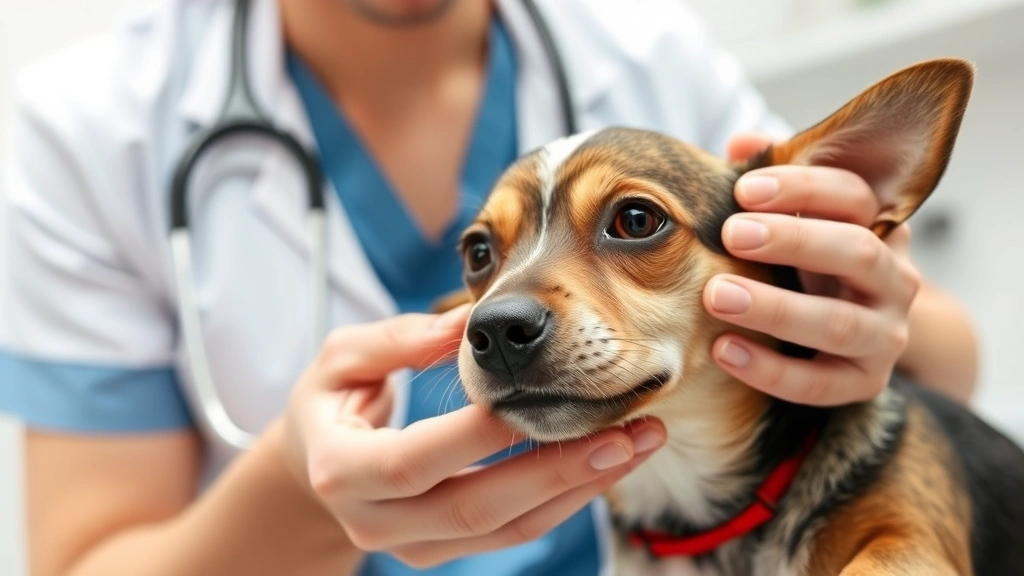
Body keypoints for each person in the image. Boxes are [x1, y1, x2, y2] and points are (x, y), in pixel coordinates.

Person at [0, 0, 978, 574]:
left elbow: (946, 356)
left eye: (632, 222)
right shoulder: (86, 127)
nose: (504, 310)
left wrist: (872, 312)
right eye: (482, 258)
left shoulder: (637, 46)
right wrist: (296, 492)